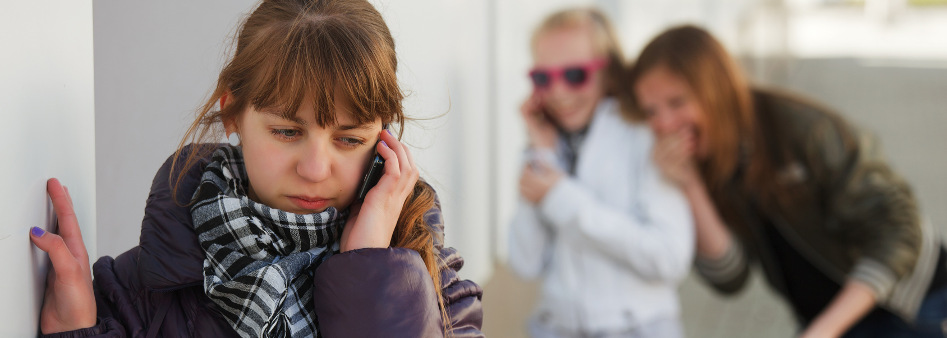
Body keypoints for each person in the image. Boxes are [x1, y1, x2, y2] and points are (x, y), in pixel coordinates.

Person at [27, 0, 484, 337]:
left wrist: (368, 267)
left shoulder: (438, 293)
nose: (314, 168)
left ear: (384, 139)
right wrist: (75, 329)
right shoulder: (139, 292)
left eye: (349, 139)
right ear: (233, 112)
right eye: (287, 131)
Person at [628, 25, 947, 337]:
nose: (665, 124)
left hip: (914, 305)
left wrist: (826, 329)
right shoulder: (706, 160)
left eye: (677, 102)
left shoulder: (806, 129)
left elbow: (899, 233)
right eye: (651, 111)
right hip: (832, 317)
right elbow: (730, 277)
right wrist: (690, 185)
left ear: (716, 88)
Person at [507, 8, 694, 338]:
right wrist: (541, 151)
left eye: (576, 75)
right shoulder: (543, 146)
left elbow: (669, 257)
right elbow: (525, 262)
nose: (559, 92)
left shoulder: (644, 134)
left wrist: (562, 197)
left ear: (607, 72)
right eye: (542, 78)